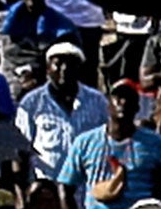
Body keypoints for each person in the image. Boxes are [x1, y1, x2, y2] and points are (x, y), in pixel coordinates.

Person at [57, 80, 161, 209]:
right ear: (108, 105)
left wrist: (159, 207)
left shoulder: (156, 143)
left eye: (129, 99)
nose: (123, 103)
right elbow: (65, 185)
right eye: (118, 98)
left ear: (137, 108)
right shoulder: (85, 142)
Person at [15, 41, 108, 182]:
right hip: (48, 188)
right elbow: (21, 149)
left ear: (80, 69)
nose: (64, 69)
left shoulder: (98, 101)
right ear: (47, 69)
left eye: (70, 65)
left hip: (88, 186)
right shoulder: (31, 103)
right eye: (57, 64)